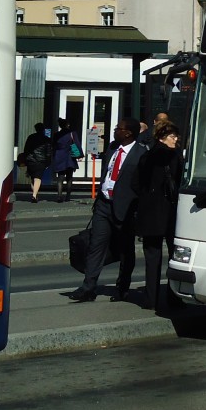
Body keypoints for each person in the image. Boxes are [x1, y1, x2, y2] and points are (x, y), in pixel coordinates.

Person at [67, 118, 145, 303]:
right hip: (104, 205)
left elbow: (141, 184)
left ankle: (122, 288)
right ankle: (88, 288)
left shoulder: (140, 154)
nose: (115, 131)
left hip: (125, 209)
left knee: (126, 250)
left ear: (129, 133)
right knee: (96, 246)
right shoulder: (112, 148)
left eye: (119, 128)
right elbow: (107, 172)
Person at [134, 120, 183, 313]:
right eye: (172, 136)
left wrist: (146, 198)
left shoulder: (146, 156)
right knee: (174, 257)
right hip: (170, 211)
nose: (176, 139)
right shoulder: (174, 155)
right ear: (163, 137)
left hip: (150, 212)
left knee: (152, 257)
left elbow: (135, 183)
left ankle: (150, 298)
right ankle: (174, 297)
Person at [51, 118, 80, 203]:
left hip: (59, 156)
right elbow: (77, 144)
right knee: (69, 178)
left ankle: (59, 196)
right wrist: (79, 154)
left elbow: (54, 146)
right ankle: (68, 196)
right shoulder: (72, 133)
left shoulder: (57, 134)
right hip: (70, 157)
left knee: (60, 178)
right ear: (67, 125)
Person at [21, 123, 51, 203]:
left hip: (30, 160)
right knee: (37, 178)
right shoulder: (46, 139)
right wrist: (48, 162)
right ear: (43, 129)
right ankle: (34, 195)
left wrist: (26, 160)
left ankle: (35, 194)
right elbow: (48, 152)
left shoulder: (30, 137)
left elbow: (26, 149)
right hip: (41, 161)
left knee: (32, 178)